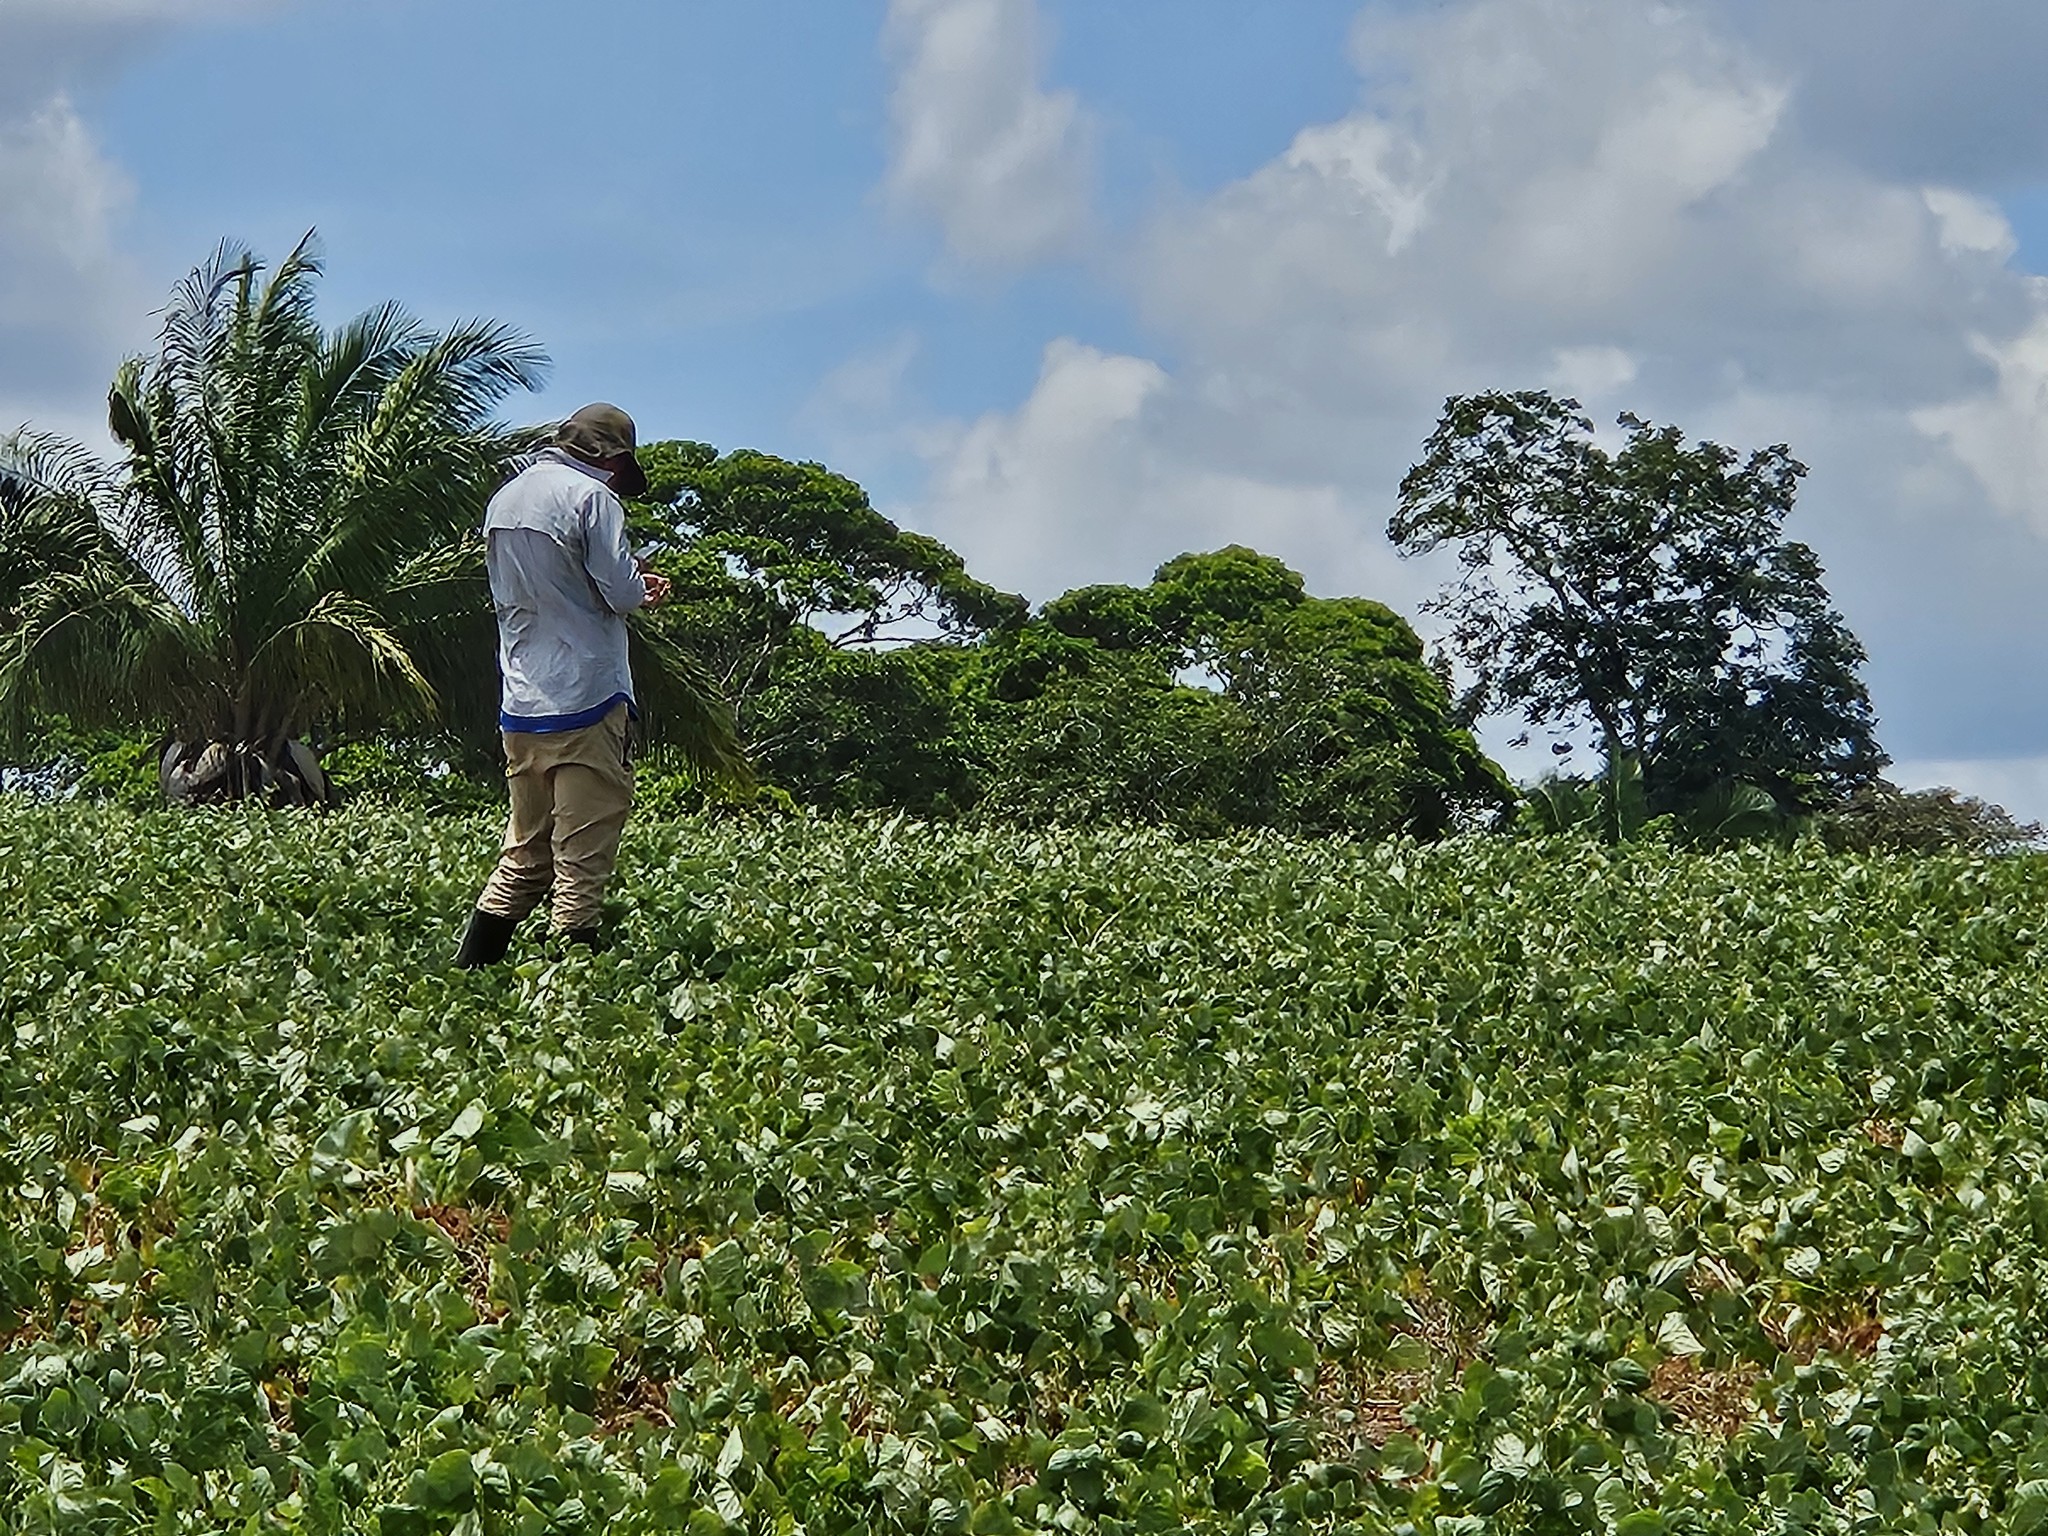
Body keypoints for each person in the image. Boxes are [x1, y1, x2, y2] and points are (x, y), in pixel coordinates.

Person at [454, 403, 672, 967]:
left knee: (526, 851)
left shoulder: (507, 498)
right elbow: (619, 592)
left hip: (523, 702)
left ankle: (470, 972)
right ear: (613, 459)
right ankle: (570, 988)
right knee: (582, 858)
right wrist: (642, 588)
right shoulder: (593, 499)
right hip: (588, 697)